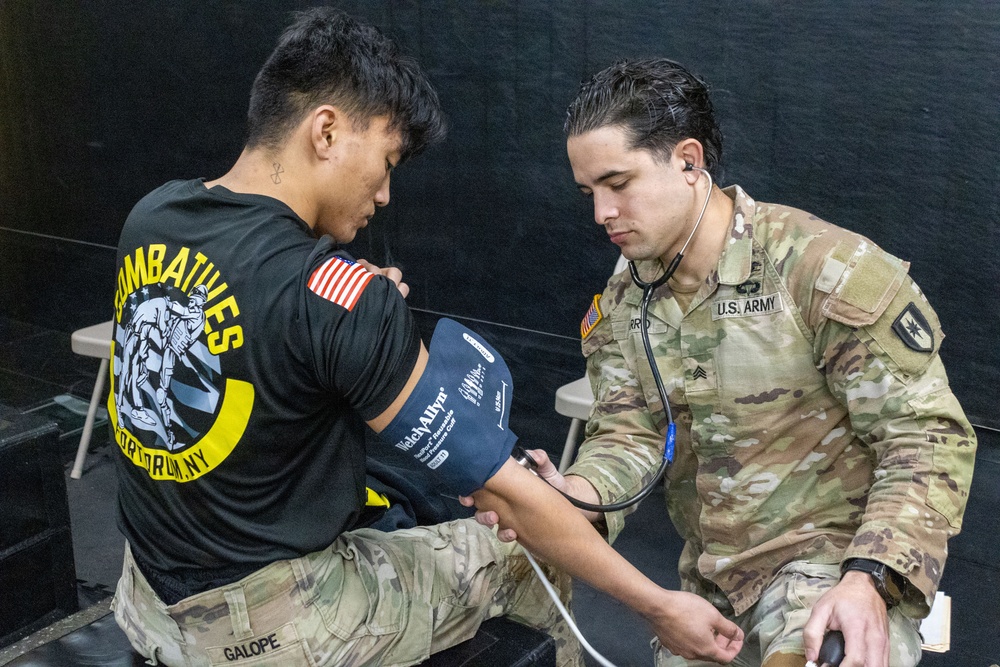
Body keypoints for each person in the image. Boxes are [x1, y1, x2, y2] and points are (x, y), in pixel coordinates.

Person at [107, 12, 745, 667]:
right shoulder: (338, 296)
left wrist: (349, 311)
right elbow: (502, 492)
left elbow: (246, 333)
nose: (384, 193)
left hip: (145, 599)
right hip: (267, 628)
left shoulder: (155, 216)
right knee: (524, 555)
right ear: (325, 131)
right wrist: (657, 605)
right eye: (385, 162)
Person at [477, 59, 977, 667]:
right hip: (711, 590)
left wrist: (871, 577)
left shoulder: (821, 269)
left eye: (618, 183)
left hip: (831, 568)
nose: (600, 213)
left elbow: (925, 435)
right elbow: (630, 436)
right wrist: (575, 494)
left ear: (688, 161)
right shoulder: (625, 299)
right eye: (589, 193)